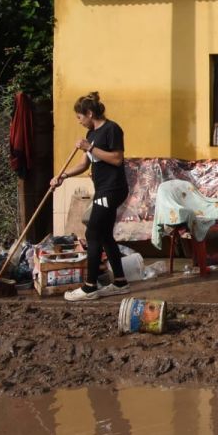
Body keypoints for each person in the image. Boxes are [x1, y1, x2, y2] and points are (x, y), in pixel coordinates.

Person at [50, 92, 131, 301]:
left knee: (92, 234)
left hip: (112, 189)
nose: (79, 122)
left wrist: (91, 148)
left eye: (79, 117)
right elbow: (85, 164)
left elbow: (117, 159)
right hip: (102, 189)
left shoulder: (111, 129)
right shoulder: (91, 135)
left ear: (89, 113)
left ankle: (90, 287)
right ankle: (121, 282)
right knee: (104, 235)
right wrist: (63, 175)